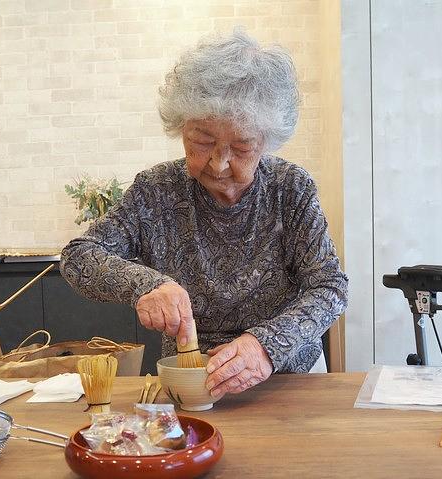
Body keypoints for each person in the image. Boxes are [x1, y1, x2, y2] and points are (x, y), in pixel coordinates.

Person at [61, 29, 348, 399]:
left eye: (242, 146)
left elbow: (328, 286)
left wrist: (264, 346)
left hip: (285, 378)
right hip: (189, 381)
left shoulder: (290, 188)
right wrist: (145, 285)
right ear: (181, 129)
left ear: (267, 140)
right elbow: (79, 256)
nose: (220, 162)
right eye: (202, 142)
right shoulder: (157, 190)